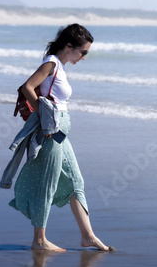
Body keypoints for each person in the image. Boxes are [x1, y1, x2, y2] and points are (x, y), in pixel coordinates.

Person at [8, 24, 112, 252]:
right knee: (48, 183)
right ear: (69, 46)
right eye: (83, 52)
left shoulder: (60, 66)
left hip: (59, 134)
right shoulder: (52, 63)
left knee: (76, 182)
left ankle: (88, 236)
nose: (84, 57)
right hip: (50, 132)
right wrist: (43, 115)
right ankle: (39, 240)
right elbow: (28, 87)